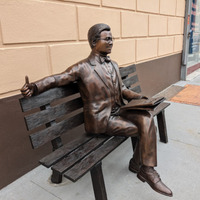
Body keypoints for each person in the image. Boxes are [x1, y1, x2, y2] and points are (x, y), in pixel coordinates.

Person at [21, 23, 172, 197]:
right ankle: (141, 167)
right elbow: (58, 78)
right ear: (94, 42)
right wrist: (35, 86)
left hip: (119, 111)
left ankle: (145, 168)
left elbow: (122, 90)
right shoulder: (82, 68)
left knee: (146, 118)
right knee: (144, 128)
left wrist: (138, 98)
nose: (111, 42)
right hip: (101, 120)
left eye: (112, 38)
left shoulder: (114, 65)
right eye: (107, 39)